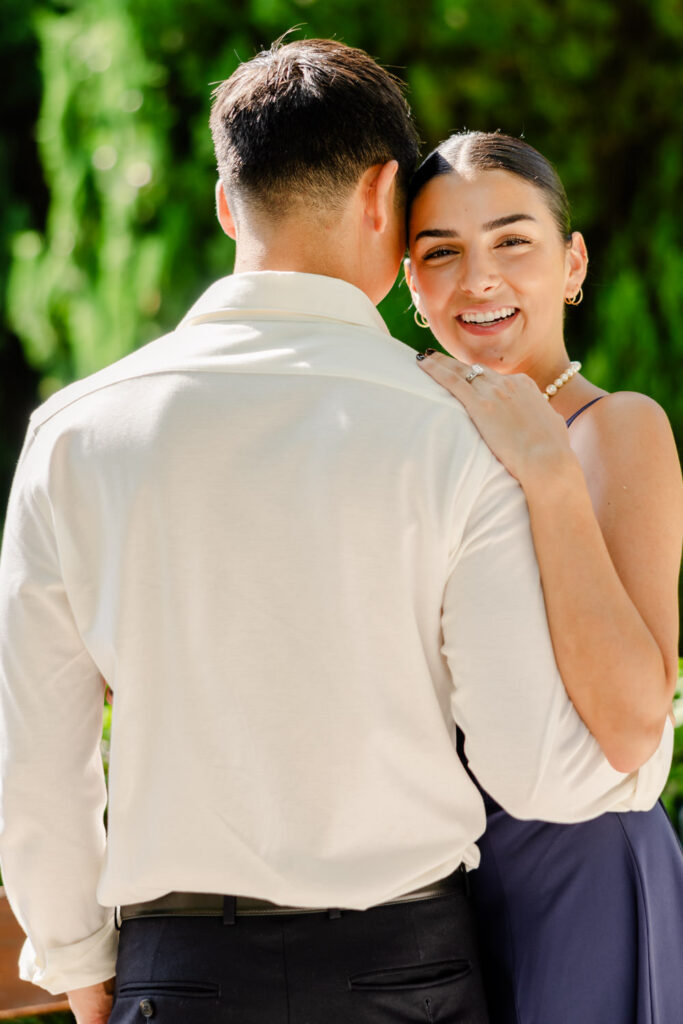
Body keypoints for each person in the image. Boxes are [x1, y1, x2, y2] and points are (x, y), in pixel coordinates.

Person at [0, 44, 674, 1024]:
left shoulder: (70, 434)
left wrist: (78, 964)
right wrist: (637, 762)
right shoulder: (461, 427)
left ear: (228, 208)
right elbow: (535, 767)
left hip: (176, 968)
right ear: (381, 197)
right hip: (405, 970)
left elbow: (37, 757)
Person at [405, 130, 683, 1024]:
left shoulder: (615, 431)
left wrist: (549, 474)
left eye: (511, 242)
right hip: (441, 885)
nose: (478, 279)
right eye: (440, 253)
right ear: (410, 285)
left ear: (571, 264)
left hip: (584, 873)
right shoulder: (412, 448)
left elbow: (636, 721)